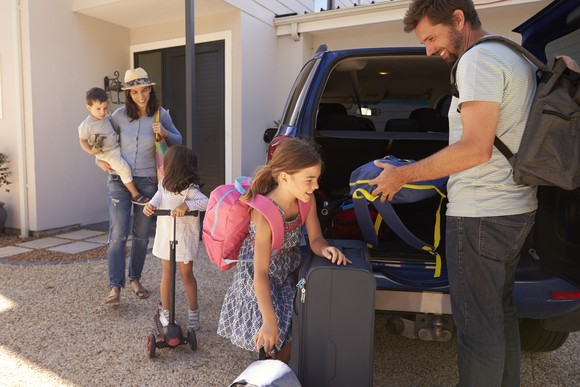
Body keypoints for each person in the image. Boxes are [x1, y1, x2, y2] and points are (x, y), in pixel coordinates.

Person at [369, 1, 537, 385]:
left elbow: (475, 148)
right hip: (516, 208)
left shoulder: (477, 61)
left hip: (481, 215)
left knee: (478, 328)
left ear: (458, 19)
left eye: (431, 36)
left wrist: (403, 175)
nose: (428, 49)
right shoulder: (513, 55)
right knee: (501, 312)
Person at [217, 138, 351, 363]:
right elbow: (260, 273)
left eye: (317, 179)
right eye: (309, 180)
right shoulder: (264, 213)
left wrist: (325, 249)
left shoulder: (306, 200)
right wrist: (269, 321)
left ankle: (276, 366)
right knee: (273, 328)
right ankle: (270, 367)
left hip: (286, 271)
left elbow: (316, 238)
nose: (316, 186)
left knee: (297, 323)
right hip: (258, 277)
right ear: (285, 177)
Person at [98, 67, 182, 305]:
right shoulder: (118, 116)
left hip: (147, 182)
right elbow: (103, 141)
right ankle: (115, 286)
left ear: (150, 90)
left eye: (144, 90)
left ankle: (135, 278)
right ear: (129, 94)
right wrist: (99, 160)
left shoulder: (160, 113)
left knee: (142, 235)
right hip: (118, 180)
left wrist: (165, 132)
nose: (141, 96)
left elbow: (179, 139)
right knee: (118, 233)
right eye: (135, 92)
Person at [143, 145, 208, 330]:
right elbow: (156, 198)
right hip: (166, 237)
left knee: (186, 275)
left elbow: (207, 202)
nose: (162, 166)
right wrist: (150, 206)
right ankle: (166, 312)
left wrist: (186, 205)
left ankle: (193, 312)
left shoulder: (190, 189)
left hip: (184, 239)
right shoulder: (163, 184)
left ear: (174, 166)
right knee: (166, 274)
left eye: (165, 162)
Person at [79, 87, 149, 205]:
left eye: (105, 108)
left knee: (125, 167)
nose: (102, 112)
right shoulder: (87, 125)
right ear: (89, 108)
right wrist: (92, 153)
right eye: (98, 109)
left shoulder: (106, 117)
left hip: (116, 149)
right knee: (124, 169)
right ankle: (135, 194)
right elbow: (83, 141)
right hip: (107, 154)